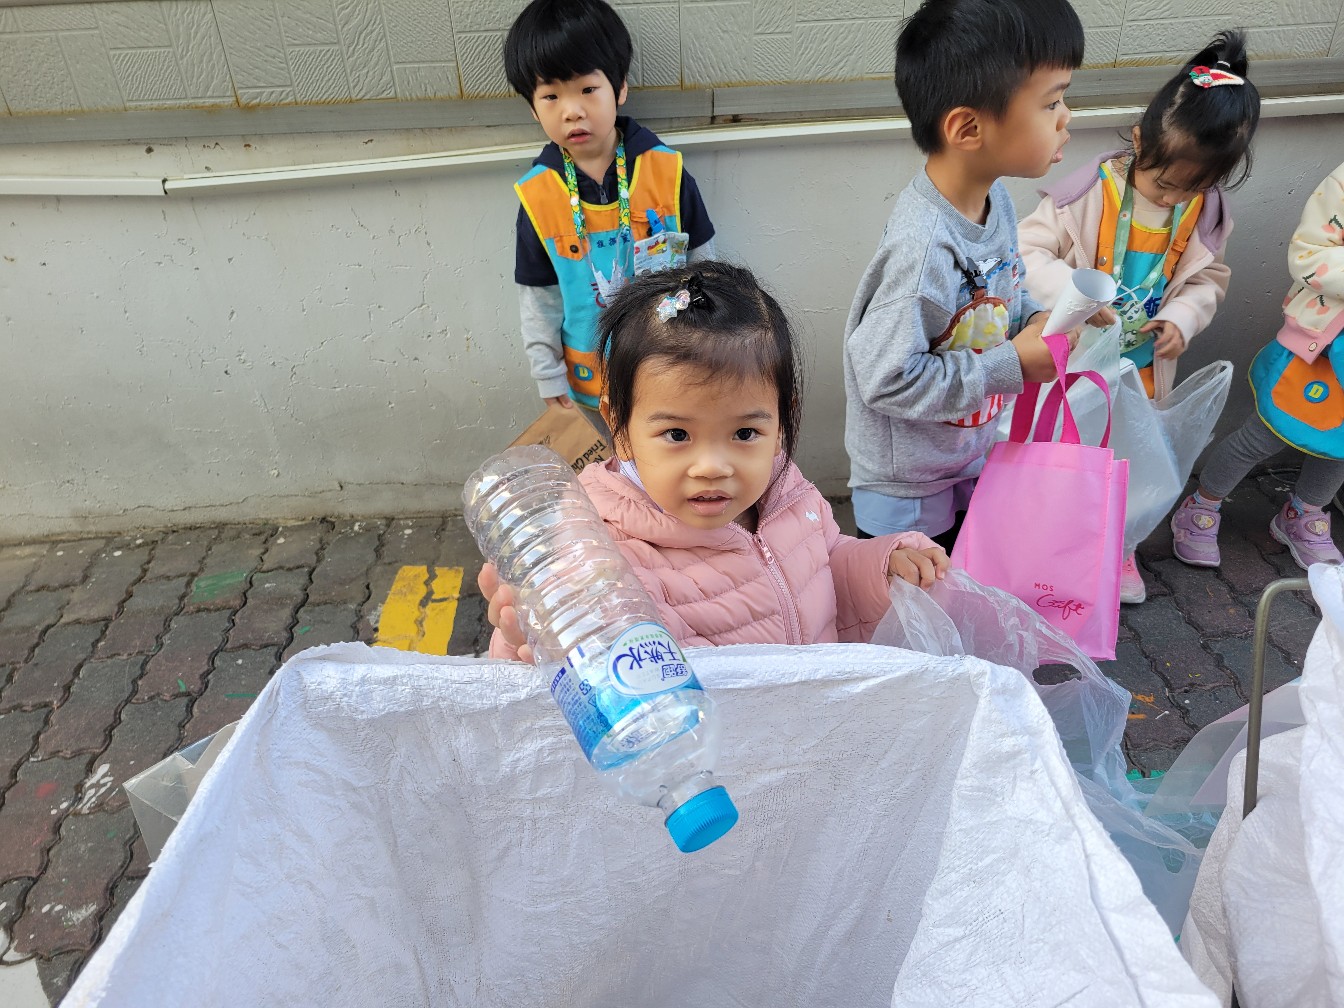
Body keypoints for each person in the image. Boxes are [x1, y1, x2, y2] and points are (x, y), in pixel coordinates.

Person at [480, 261, 950, 662]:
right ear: (619, 426)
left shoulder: (789, 494)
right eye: (677, 435)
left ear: (779, 423)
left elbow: (823, 567)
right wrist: (534, 636)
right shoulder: (603, 552)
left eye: (745, 434)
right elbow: (578, 662)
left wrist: (883, 568)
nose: (712, 466)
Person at [1019, 30, 1261, 602]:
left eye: (1194, 187)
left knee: (1129, 457)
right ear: (1137, 139)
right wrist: (1077, 297)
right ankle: (1057, 542)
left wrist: (1182, 318)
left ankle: (1119, 546)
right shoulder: (1088, 193)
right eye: (1165, 183)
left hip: (1144, 369)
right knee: (1071, 451)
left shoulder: (1205, 213)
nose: (1174, 198)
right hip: (1079, 360)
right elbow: (1026, 254)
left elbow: (1206, 279)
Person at [843, 0, 1084, 558]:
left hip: (963, 455)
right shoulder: (922, 250)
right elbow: (886, 380)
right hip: (907, 486)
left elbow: (1004, 293)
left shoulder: (995, 199)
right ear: (968, 128)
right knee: (913, 600)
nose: (1066, 118)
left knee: (963, 579)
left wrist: (1039, 319)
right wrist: (1012, 364)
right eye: (1051, 102)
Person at [505, 0, 717, 436]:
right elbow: (539, 300)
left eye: (588, 89)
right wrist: (547, 373)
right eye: (551, 96)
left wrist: (711, 341)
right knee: (613, 469)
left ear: (619, 88)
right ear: (532, 107)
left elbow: (706, 268)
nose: (572, 110)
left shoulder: (666, 172)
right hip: (590, 382)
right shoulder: (538, 196)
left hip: (671, 366)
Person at [1171, 160, 1344, 572]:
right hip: (1322, 347)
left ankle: (1304, 513)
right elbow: (1309, 254)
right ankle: (1203, 504)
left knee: (1340, 447)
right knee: (1266, 433)